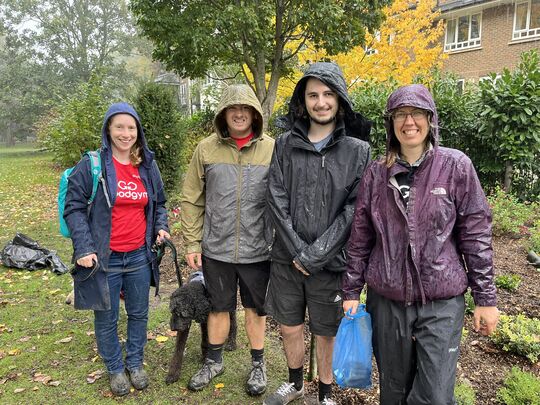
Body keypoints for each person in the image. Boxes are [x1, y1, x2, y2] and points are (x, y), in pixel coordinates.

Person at [342, 84, 499, 405]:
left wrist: (486, 299)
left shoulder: (456, 167)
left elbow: (476, 235)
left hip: (441, 302)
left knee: (435, 395)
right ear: (391, 123)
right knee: (394, 391)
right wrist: (350, 291)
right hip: (387, 301)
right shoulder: (376, 173)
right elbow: (361, 237)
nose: (409, 121)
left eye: (417, 113)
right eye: (400, 114)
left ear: (431, 119)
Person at [264, 62, 372, 405]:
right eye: (313, 95)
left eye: (328, 94)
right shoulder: (284, 145)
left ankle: (325, 393)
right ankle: (295, 382)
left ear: (339, 100)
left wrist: (314, 255)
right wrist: (298, 252)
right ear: (303, 101)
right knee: (289, 326)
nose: (321, 102)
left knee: (326, 331)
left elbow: (355, 210)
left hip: (331, 264)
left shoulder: (358, 151)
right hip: (286, 260)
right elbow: (275, 197)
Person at [63, 102, 170, 396]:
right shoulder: (93, 164)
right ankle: (114, 368)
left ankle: (134, 363)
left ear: (138, 131)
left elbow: (159, 202)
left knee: (138, 313)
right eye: (119, 127)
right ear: (108, 129)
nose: (125, 133)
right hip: (103, 258)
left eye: (131, 127)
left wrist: (161, 227)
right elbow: (73, 208)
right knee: (106, 317)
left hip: (138, 255)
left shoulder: (146, 164)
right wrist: (84, 247)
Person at [180, 84, 275, 395]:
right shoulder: (205, 149)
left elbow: (282, 199)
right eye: (233, 108)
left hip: (258, 249)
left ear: (255, 114)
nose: (239, 113)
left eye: (245, 109)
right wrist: (193, 243)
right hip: (217, 248)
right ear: (223, 113)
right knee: (219, 308)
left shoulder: (272, 149)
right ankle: (213, 361)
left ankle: (258, 366)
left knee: (255, 310)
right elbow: (192, 198)